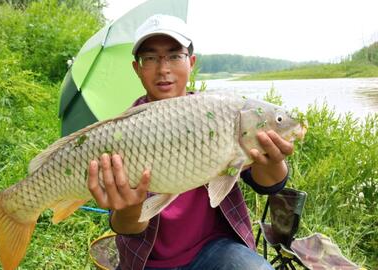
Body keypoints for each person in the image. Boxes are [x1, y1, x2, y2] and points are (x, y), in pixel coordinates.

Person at [87, 14, 294, 270]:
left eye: (175, 56)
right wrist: (131, 208)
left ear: (191, 62)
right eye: (150, 58)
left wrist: (274, 160)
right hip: (144, 260)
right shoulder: (122, 133)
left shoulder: (222, 114)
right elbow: (126, 226)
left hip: (215, 248)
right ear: (137, 68)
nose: (164, 69)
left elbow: (269, 184)